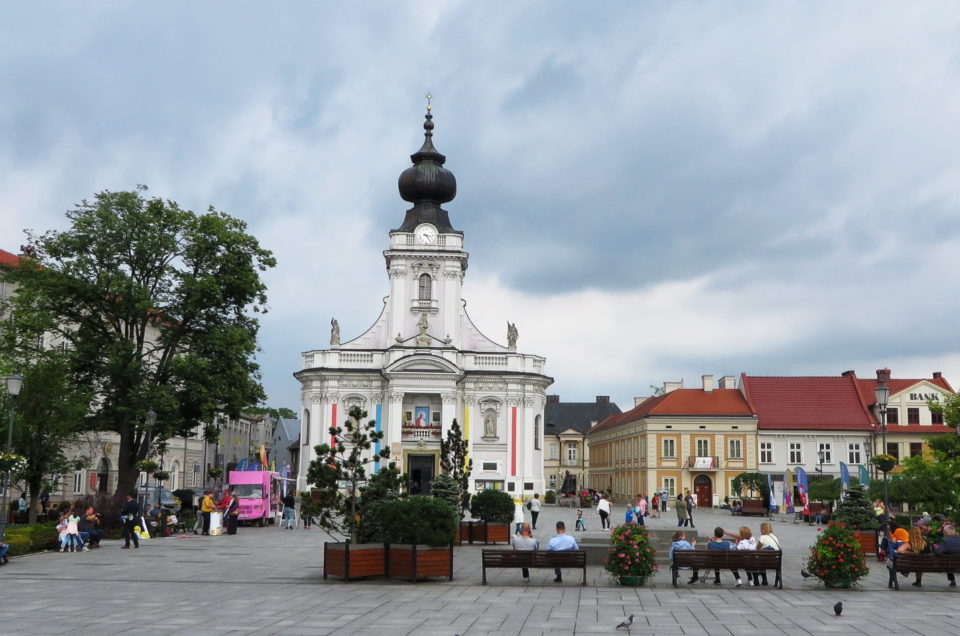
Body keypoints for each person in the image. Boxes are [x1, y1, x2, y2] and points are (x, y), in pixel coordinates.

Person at [755, 521, 781, 586]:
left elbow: (757, 549)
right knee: (764, 558)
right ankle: (764, 580)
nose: (760, 530)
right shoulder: (774, 537)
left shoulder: (762, 537)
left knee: (759, 559)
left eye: (761, 529)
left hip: (765, 561)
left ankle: (759, 580)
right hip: (775, 562)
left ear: (763, 529)